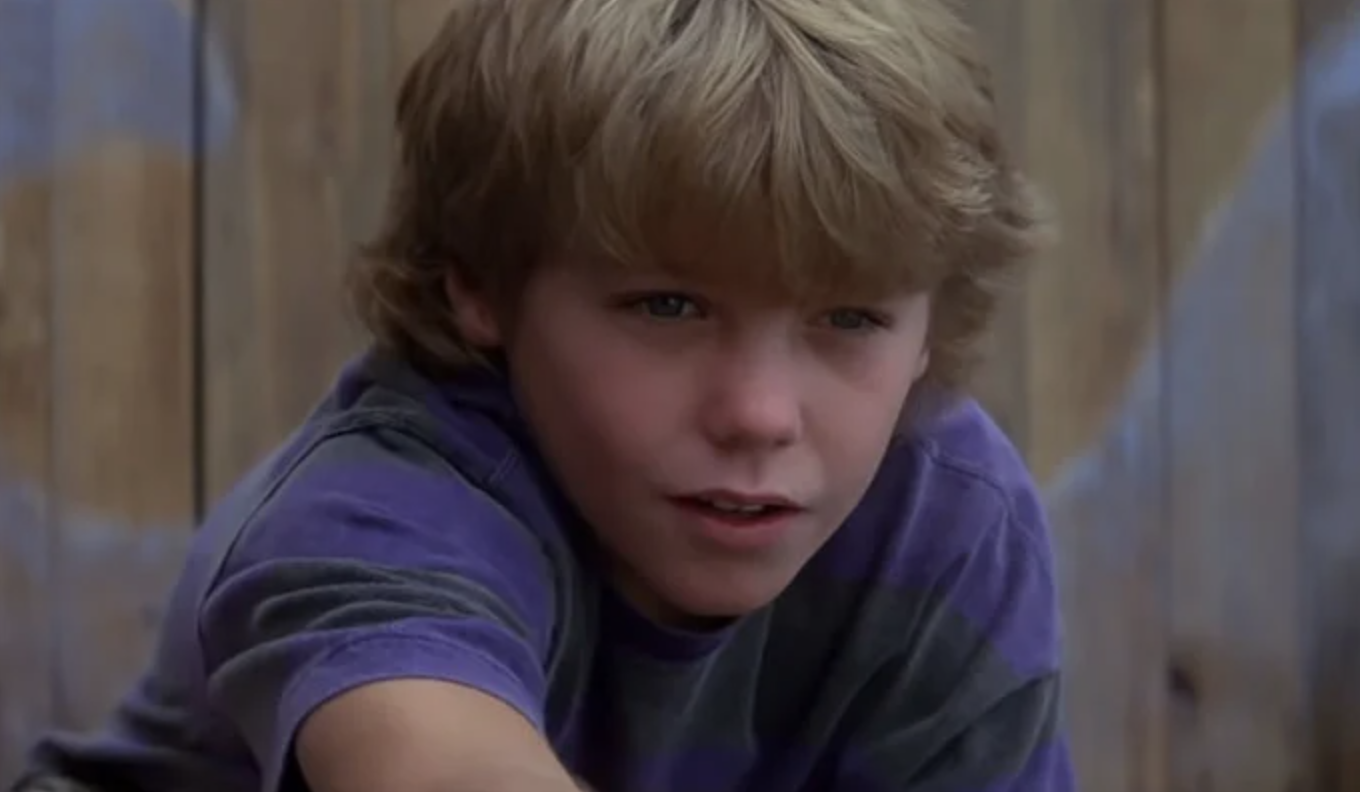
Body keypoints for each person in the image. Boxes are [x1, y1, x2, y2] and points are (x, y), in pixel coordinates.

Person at [13, 1, 1072, 790]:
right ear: (479, 277)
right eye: (667, 306)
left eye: (847, 320)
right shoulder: (378, 511)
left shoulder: (946, 523)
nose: (759, 414)